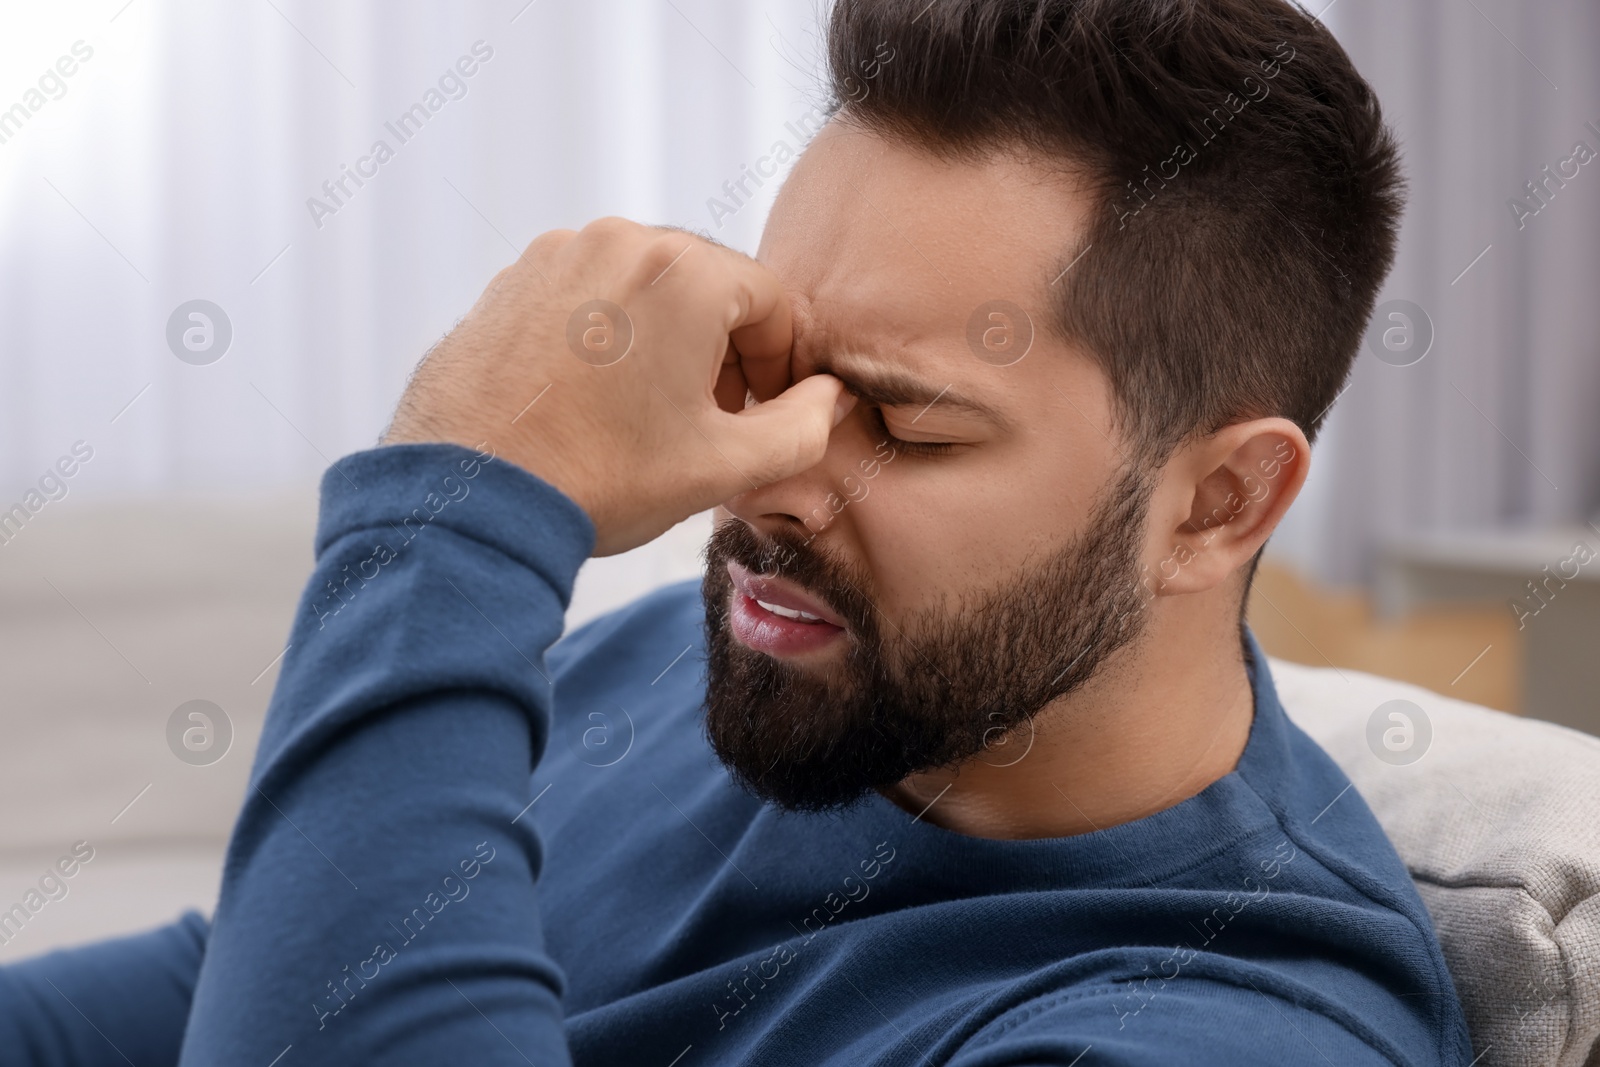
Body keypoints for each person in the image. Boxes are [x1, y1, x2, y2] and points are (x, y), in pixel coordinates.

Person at [0, 0, 1474, 1063]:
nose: (762, 479)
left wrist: (455, 505)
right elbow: (236, 979)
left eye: (901, 424)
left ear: (1221, 503)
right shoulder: (684, 672)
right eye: (772, 374)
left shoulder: (1227, 1024)